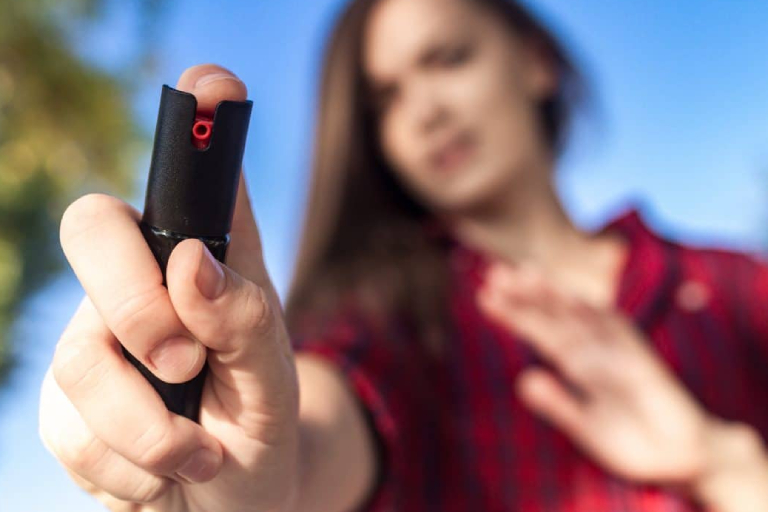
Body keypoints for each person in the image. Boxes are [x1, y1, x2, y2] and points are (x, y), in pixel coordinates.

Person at [38, 0, 768, 510]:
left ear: (536, 61)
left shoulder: (736, 285)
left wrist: (724, 463)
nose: (425, 111)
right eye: (385, 98)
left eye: (447, 58)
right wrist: (262, 464)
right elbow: (312, 431)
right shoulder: (385, 322)